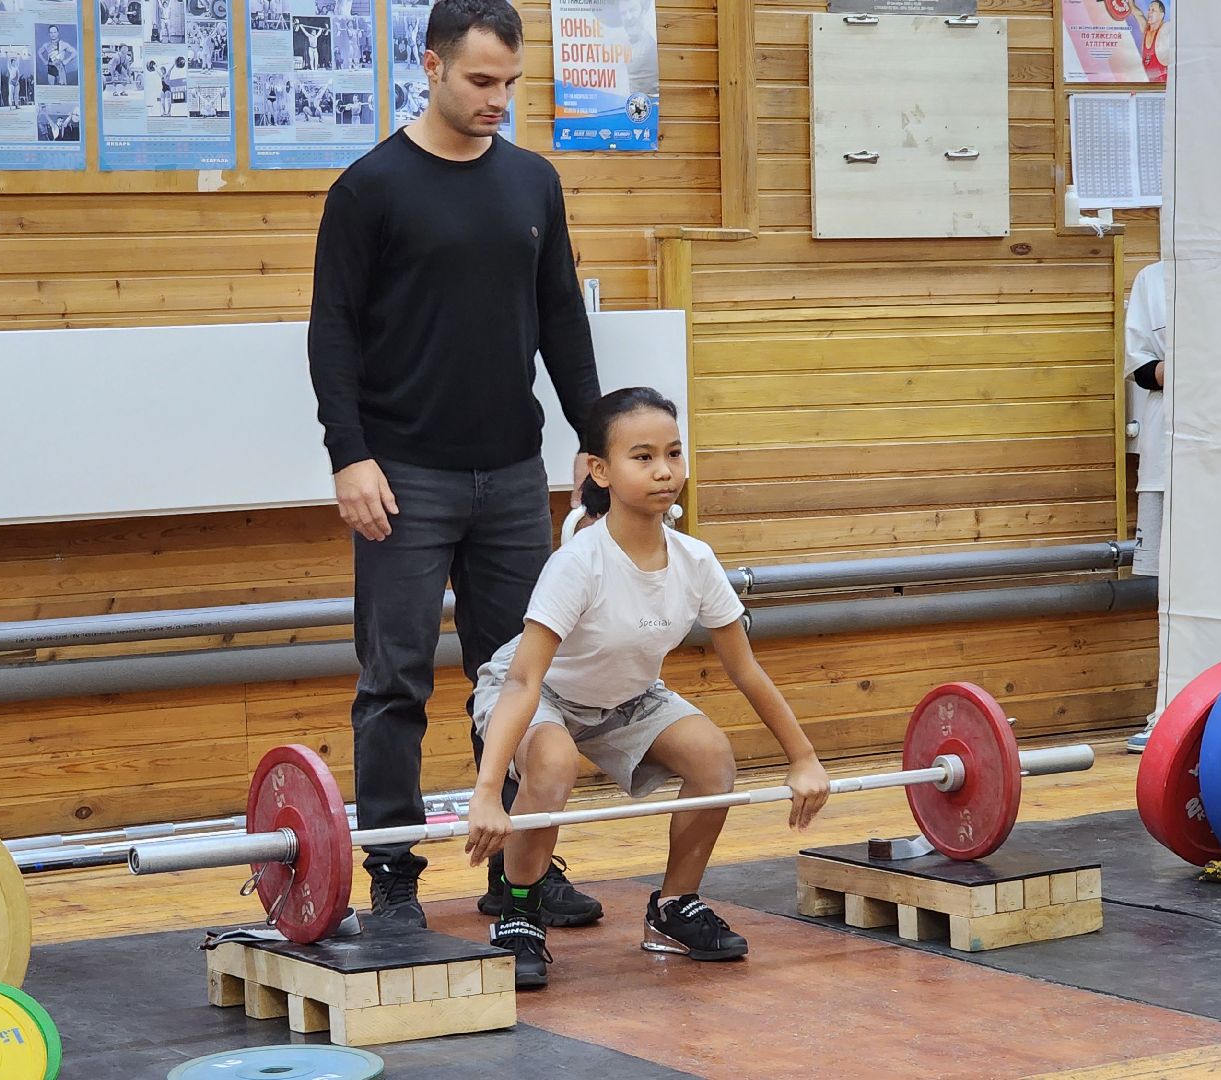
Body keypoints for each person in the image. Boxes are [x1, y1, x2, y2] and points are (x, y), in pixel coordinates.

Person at [308, 0, 603, 931]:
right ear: (431, 66)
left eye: (511, 83)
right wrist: (349, 455)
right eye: (481, 81)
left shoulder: (533, 183)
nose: (498, 101)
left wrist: (592, 439)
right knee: (394, 682)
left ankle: (520, 872)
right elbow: (333, 336)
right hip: (404, 478)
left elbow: (562, 318)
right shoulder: (370, 189)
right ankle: (392, 874)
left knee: (517, 676)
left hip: (512, 474)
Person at [463, 388, 831, 988]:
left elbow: (745, 669)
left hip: (628, 695)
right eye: (642, 457)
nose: (664, 471)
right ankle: (520, 913)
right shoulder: (579, 563)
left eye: (673, 454)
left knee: (713, 759)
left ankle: (674, 907)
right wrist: (485, 793)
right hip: (539, 690)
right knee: (552, 764)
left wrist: (804, 758)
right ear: (601, 471)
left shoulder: (695, 559)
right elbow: (527, 678)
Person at [1124, 259, 1169, 752]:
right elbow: (1138, 367)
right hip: (1166, 457)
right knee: (1170, 590)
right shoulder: (1150, 280)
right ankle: (1166, 710)